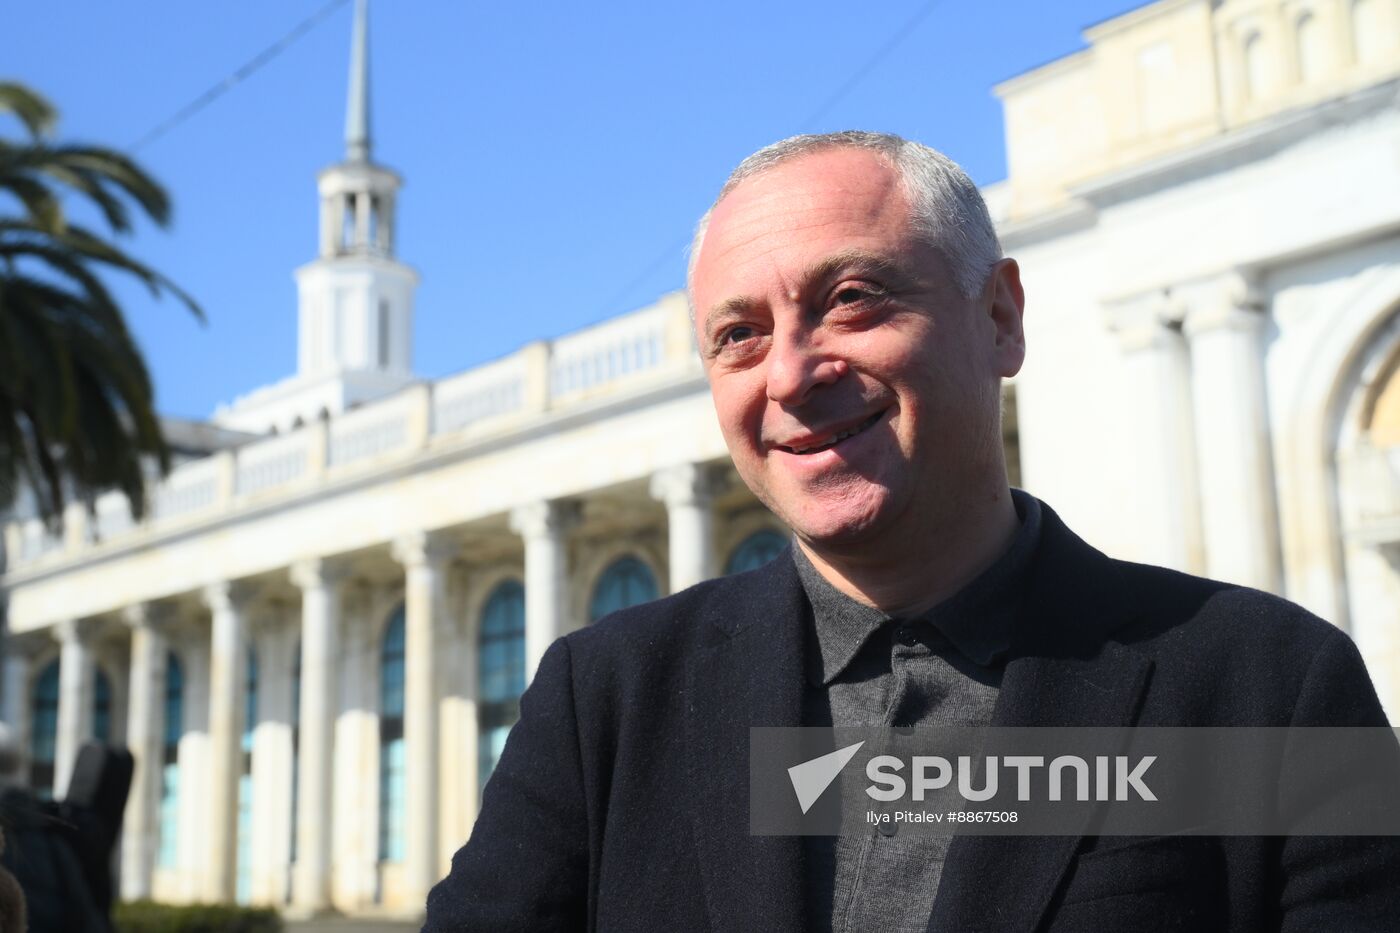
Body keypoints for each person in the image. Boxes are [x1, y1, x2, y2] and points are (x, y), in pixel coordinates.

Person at [423, 131, 1400, 931]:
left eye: (850, 298)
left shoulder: (1272, 687)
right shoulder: (607, 696)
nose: (790, 374)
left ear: (1000, 317)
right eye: (738, 335)